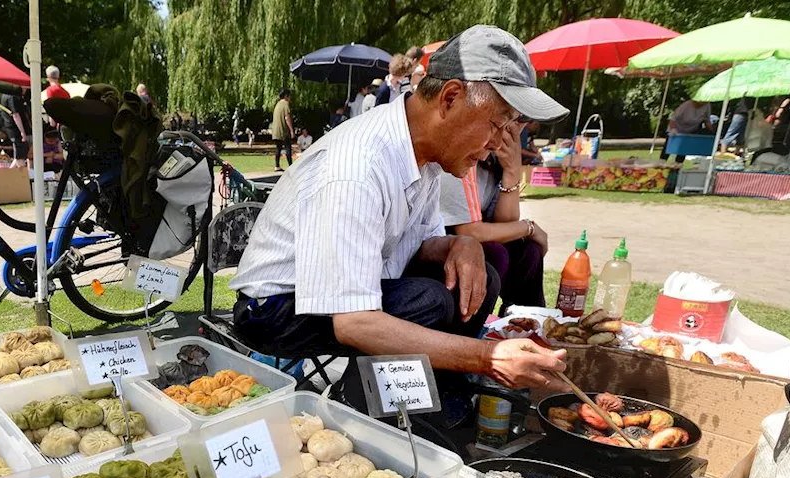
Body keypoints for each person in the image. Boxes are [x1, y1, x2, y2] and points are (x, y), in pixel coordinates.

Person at [230, 25, 571, 420]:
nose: (498, 144)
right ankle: (368, 415)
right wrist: (488, 356)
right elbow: (355, 323)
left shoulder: (423, 155)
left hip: (344, 291)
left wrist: (462, 244)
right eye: (497, 124)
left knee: (482, 275)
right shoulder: (358, 167)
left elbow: (421, 243)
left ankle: (435, 391)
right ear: (451, 98)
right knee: (428, 301)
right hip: (273, 308)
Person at [439, 124, 548, 312]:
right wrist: (529, 227)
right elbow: (469, 231)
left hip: (471, 237)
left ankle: (526, 323)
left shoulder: (491, 160)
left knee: (529, 251)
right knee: (495, 253)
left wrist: (512, 171)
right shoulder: (464, 150)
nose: (515, 129)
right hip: (439, 246)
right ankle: (471, 330)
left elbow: (505, 223)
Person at [270, 88, 294, 171]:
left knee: (278, 148)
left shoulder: (278, 104)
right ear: (286, 96)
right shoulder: (285, 104)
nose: (290, 98)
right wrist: (291, 130)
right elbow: (287, 117)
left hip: (276, 130)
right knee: (288, 147)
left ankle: (277, 166)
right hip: (283, 130)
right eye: (289, 96)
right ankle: (291, 166)